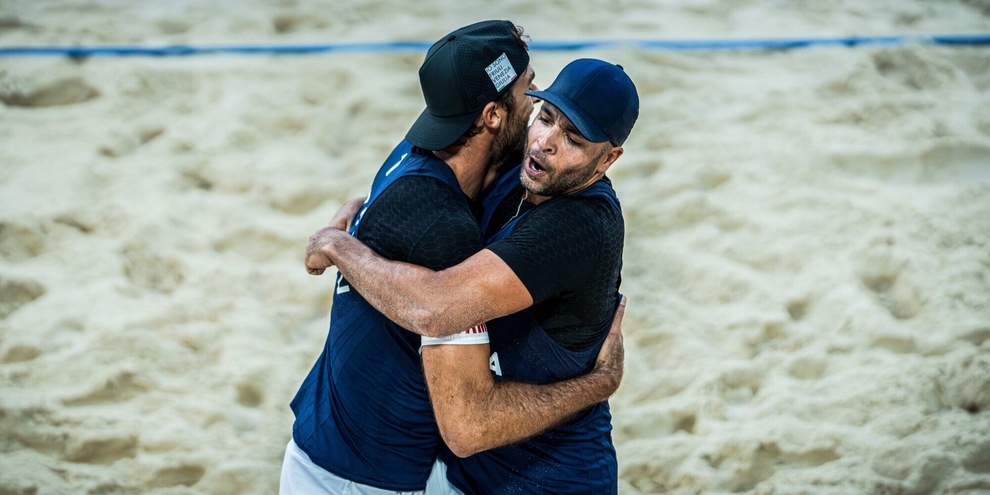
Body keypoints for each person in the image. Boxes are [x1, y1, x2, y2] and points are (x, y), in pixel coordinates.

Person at [282, 22, 626, 495]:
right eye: (539, 107)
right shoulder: (454, 220)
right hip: (368, 474)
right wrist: (345, 238)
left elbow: (432, 303)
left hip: (533, 477)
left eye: (573, 138)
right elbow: (435, 312)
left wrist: (341, 240)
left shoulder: (420, 156)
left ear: (607, 160)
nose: (542, 137)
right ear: (491, 115)